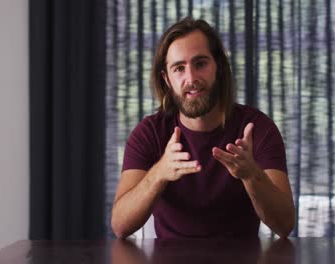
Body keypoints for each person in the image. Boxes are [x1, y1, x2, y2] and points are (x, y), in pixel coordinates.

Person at [111, 16, 295, 239]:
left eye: (200, 64)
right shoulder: (149, 132)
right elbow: (120, 226)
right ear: (167, 79)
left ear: (218, 66)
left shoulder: (258, 128)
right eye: (179, 68)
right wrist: (159, 173)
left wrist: (252, 176)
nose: (191, 78)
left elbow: (285, 225)